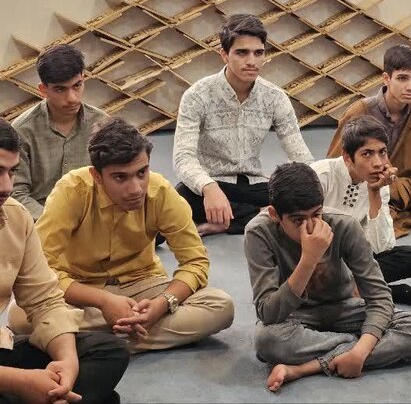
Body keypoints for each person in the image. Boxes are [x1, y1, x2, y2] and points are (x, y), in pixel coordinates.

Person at [11, 118, 235, 352]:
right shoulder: (71, 191)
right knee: (20, 317)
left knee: (220, 306)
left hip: (143, 285)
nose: (136, 189)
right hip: (81, 290)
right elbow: (41, 272)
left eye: (142, 172)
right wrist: (103, 301)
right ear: (97, 176)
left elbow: (195, 262)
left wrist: (163, 303)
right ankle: (126, 337)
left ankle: (86, 343)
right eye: (120, 177)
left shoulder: (160, 192)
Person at [245, 162, 411, 392]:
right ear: (274, 215)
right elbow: (268, 313)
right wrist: (308, 260)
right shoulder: (259, 232)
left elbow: (379, 297)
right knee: (266, 340)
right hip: (296, 316)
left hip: (345, 308)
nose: (310, 227)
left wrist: (360, 352)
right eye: (298, 220)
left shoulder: (343, 225)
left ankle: (305, 367)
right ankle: (351, 350)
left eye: (316, 214)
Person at [0, 118, 129, 404]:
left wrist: (67, 362)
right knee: (105, 398)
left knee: (107, 351)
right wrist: (20, 382)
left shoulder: (16, 216)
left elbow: (44, 300)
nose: (6, 186)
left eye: (11, 172)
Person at [173, 14, 314, 236]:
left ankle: (226, 222)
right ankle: (262, 216)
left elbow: (300, 154)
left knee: (298, 195)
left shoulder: (275, 97)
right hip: (211, 183)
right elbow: (183, 157)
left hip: (254, 185)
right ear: (224, 54)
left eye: (258, 53)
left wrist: (312, 183)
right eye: (242, 53)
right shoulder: (197, 95)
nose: (251, 61)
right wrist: (208, 187)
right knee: (176, 202)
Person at [326, 45, 411, 237]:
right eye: (402, 78)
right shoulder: (360, 112)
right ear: (386, 78)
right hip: (369, 185)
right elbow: (339, 165)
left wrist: (398, 184)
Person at [310, 116, 411, 306]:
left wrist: (374, 193)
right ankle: (370, 291)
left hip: (350, 261)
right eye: (367, 154)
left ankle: (353, 291)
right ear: (347, 157)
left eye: (382, 152)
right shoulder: (320, 176)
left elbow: (381, 247)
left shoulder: (379, 184)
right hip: (317, 259)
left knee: (410, 257)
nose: (378, 163)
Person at [12, 44, 109, 220]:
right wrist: (56, 221)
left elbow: (115, 180)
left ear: (83, 79)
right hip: (41, 221)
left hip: (93, 217)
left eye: (77, 85)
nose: (72, 98)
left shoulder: (103, 124)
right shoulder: (22, 131)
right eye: (60, 89)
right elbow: (16, 194)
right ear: (43, 90)